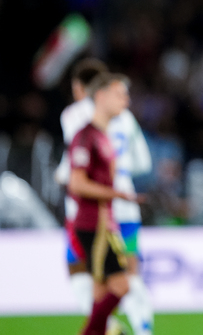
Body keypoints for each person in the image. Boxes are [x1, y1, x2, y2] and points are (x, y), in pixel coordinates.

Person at [56, 59, 154, 335]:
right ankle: (140, 327)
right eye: (121, 93)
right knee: (128, 275)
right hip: (121, 211)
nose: (126, 100)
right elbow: (143, 163)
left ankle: (105, 326)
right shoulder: (125, 119)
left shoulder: (74, 116)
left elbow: (71, 170)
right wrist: (118, 179)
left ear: (79, 88)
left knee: (83, 273)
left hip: (89, 212)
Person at [68, 73, 134, 335]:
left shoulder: (104, 137)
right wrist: (115, 195)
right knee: (121, 286)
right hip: (93, 224)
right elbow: (77, 183)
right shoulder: (86, 137)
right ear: (101, 96)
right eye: (120, 94)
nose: (125, 101)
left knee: (101, 292)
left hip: (105, 221)